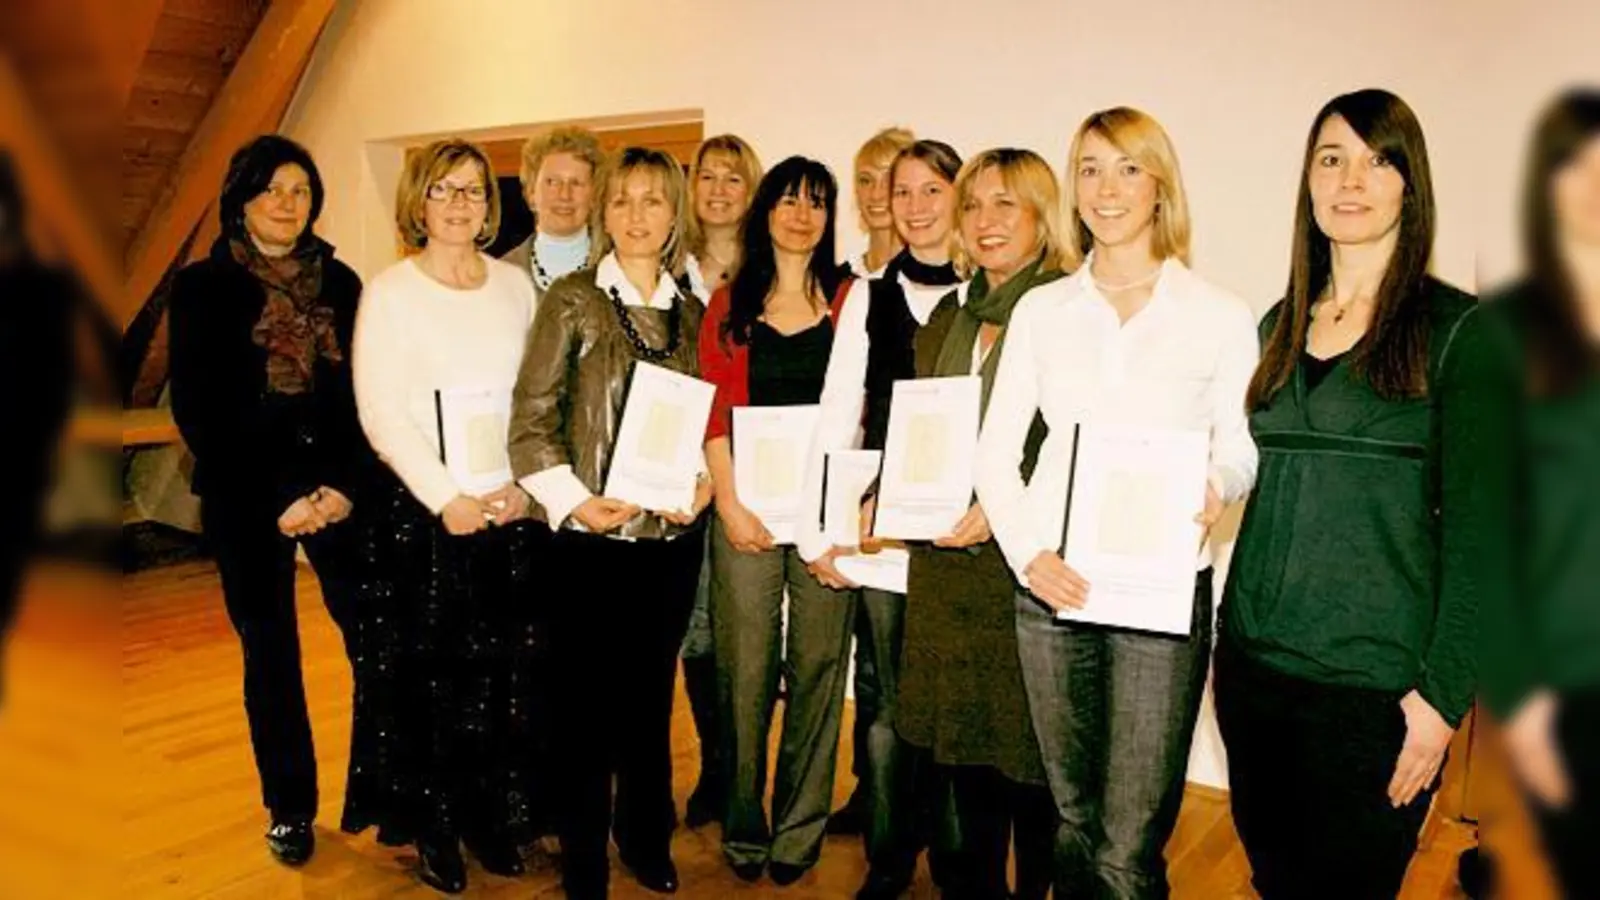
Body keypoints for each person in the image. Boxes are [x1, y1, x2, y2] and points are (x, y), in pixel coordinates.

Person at [1213, 89, 1511, 899]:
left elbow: (1484, 538)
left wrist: (1443, 702)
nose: (1353, 179)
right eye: (1331, 158)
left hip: (1373, 696)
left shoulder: (1460, 333)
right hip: (1254, 675)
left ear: (1410, 185)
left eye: (1380, 161)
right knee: (1275, 881)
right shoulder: (1279, 324)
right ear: (1308, 182)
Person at [975, 109, 1259, 899]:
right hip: (1054, 589)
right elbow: (995, 453)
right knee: (1073, 813)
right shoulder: (1042, 311)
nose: (1107, 188)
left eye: (1128, 168)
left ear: (1160, 183)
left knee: (1130, 835)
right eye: (1091, 168)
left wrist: (1217, 485)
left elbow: (1241, 445)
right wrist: (1031, 557)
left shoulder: (1219, 313)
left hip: (1161, 598)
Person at [508, 146, 712, 900]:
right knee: (583, 713)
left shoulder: (693, 315)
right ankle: (586, 859)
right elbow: (529, 427)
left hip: (668, 548)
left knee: (650, 703)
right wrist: (575, 502)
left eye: (653, 201)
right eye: (621, 200)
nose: (636, 215)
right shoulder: (570, 300)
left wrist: (698, 485)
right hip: (587, 546)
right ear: (604, 211)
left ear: (673, 216)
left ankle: (646, 839)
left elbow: (706, 428)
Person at [169, 135, 378, 867]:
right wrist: (281, 496)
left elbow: (363, 396)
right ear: (243, 198)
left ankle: (388, 792)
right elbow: (200, 411)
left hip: (339, 491)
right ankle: (290, 806)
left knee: (375, 635)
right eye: (273, 190)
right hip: (247, 494)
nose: (288, 204)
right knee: (272, 655)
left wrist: (345, 486)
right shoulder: (201, 286)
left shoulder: (345, 283)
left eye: (300, 190)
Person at [353, 137, 537, 892]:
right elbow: (381, 412)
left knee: (502, 678)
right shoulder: (390, 292)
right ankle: (435, 829)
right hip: (430, 520)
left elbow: (535, 400)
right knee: (434, 683)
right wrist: (446, 498)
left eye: (472, 191)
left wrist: (525, 486)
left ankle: (491, 815)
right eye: (444, 190)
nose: (460, 204)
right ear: (418, 203)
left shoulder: (514, 287)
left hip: (508, 510)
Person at [894, 147, 1068, 900]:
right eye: (974, 206)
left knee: (1030, 769)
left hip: (1023, 576)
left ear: (1041, 217)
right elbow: (921, 435)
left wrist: (1000, 517)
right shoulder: (946, 320)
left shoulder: (1068, 313)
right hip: (944, 576)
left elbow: (1074, 447)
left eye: (1007, 204)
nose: (986, 222)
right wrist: (890, 490)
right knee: (962, 761)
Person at [798, 140, 968, 899]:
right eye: (904, 192)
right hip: (884, 533)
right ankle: (891, 859)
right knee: (892, 709)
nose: (918, 206)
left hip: (966, 535)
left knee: (957, 703)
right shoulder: (866, 294)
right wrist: (820, 527)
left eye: (934, 190)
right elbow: (839, 413)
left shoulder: (993, 293)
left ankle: (962, 863)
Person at [698, 156, 855, 885]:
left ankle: (800, 826)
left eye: (816, 204)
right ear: (766, 211)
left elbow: (865, 414)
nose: (801, 215)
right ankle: (743, 819)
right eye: (788, 201)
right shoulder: (729, 304)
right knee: (744, 672)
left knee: (820, 670)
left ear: (829, 218)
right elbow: (714, 413)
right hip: (749, 513)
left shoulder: (853, 301)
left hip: (825, 519)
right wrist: (728, 504)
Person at [1485, 86, 1600, 899]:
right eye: (1576, 165)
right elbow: (1486, 532)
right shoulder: (1508, 331)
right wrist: (1521, 705)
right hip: (1569, 682)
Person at [679, 133, 763, 829]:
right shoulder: (666, 271)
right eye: (708, 176)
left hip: (749, 478)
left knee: (745, 634)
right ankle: (714, 769)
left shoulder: (774, 276)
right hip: (678, 481)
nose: (719, 189)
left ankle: (742, 773)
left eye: (734, 178)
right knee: (698, 631)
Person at [502, 126, 604, 298]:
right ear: (531, 193)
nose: (565, 195)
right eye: (552, 182)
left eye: (576, 183)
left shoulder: (618, 270)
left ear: (593, 196)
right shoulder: (502, 277)